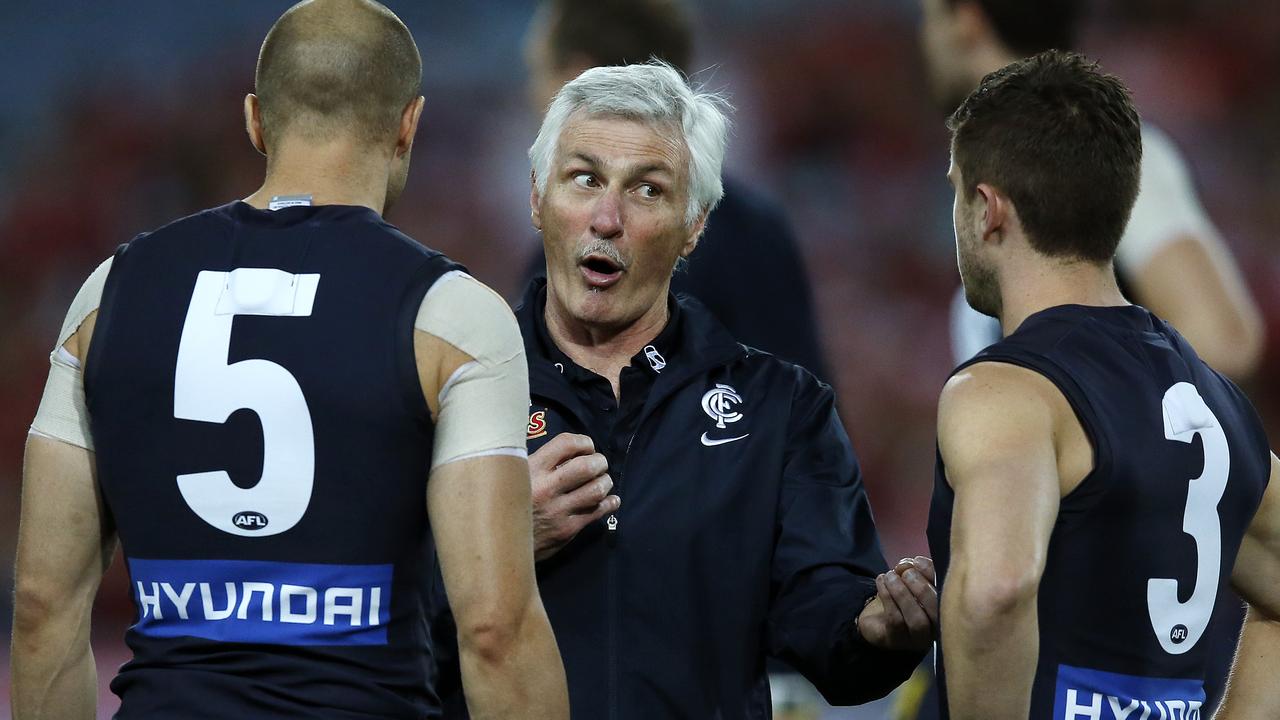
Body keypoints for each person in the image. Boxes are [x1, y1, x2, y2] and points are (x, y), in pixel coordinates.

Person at [10, 1, 568, 718]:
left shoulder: (106, 293)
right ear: (408, 125)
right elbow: (495, 630)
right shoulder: (454, 316)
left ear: (255, 120)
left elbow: (40, 604)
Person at [434, 61, 935, 719]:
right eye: (584, 180)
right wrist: (492, 545)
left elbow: (827, 625)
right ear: (536, 197)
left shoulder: (780, 408)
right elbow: (363, 613)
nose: (606, 217)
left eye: (647, 190)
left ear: (694, 225)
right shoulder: (442, 391)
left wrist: (878, 633)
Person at [927, 50, 1280, 719]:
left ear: (988, 209)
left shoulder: (1007, 393)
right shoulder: (1216, 403)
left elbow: (996, 591)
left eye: (954, 190)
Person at [918, 0, 1265, 379]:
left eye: (930, 17)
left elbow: (1223, 339)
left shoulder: (1101, 150)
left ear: (966, 21)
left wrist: (1085, 414)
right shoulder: (995, 169)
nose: (924, 38)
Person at [517, 0, 831, 382]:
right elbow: (805, 402)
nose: (533, 95)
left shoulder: (577, 247)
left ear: (578, 76)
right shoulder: (755, 225)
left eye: (539, 73)